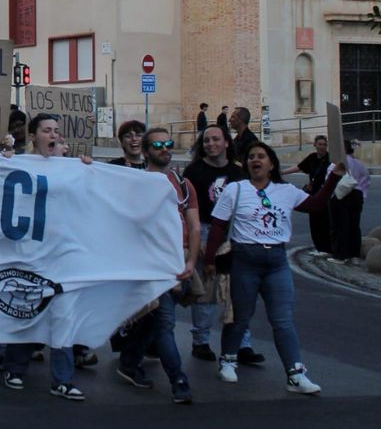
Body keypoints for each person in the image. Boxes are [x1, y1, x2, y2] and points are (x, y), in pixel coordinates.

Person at [204, 142, 345, 395]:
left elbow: (316, 205)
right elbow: (217, 226)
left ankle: (295, 374)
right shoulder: (236, 190)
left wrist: (333, 177)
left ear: (271, 164)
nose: (255, 160)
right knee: (240, 316)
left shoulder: (286, 190)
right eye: (251, 157)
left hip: (277, 262)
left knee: (283, 319)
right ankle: (228, 359)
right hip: (245, 259)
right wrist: (209, 261)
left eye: (261, 156)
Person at [4, 112, 88, 401]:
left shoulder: (71, 168)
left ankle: (62, 380)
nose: (53, 135)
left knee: (63, 316)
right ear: (33, 136)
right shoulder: (20, 165)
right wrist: (3, 161)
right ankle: (14, 366)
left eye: (56, 130)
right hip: (32, 254)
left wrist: (87, 169)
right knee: (29, 312)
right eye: (47, 130)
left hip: (63, 254)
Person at [115, 128, 199, 404]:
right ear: (146, 151)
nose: (165, 149)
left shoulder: (183, 184)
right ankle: (179, 381)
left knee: (152, 319)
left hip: (178, 260)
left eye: (168, 143)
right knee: (165, 322)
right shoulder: (136, 183)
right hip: (152, 263)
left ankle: (129, 361)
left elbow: (194, 226)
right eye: (158, 145)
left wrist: (191, 260)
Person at [181, 125, 261, 364]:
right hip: (205, 230)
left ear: (226, 142)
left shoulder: (238, 172)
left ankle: (242, 343)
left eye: (216, 139)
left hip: (233, 232)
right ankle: (201, 341)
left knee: (239, 290)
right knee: (206, 291)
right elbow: (186, 207)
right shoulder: (194, 171)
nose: (211, 144)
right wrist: (194, 239)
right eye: (207, 140)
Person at [282, 136, 331, 256]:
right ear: (315, 145)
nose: (322, 147)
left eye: (324, 144)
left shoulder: (329, 159)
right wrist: (283, 172)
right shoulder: (312, 158)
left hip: (325, 194)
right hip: (313, 194)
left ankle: (326, 249)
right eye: (320, 144)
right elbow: (300, 167)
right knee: (314, 223)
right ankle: (319, 248)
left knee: (325, 222)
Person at [326, 140, 369, 264]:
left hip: (340, 195)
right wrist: (363, 195)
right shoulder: (359, 163)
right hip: (357, 194)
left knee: (339, 226)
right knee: (354, 226)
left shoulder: (336, 164)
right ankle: (354, 255)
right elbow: (366, 179)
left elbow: (329, 179)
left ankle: (340, 255)